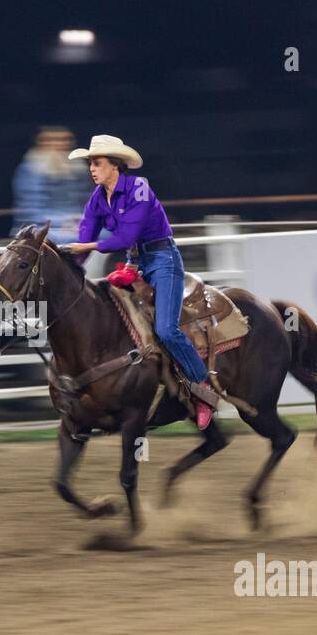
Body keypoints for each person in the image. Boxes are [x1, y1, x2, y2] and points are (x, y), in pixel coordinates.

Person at [61, 134, 218, 429]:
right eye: (91, 164)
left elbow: (125, 237)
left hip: (162, 260)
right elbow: (85, 236)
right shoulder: (98, 199)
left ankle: (203, 391)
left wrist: (86, 248)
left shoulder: (139, 189)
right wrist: (70, 263)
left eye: (97, 163)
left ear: (115, 166)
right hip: (136, 262)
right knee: (108, 312)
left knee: (167, 330)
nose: (92, 169)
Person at [10, 127, 93, 241]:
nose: (59, 144)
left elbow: (86, 201)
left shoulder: (78, 168)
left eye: (64, 140)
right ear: (42, 142)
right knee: (67, 238)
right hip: (40, 226)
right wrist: (62, 223)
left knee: (107, 234)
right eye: (53, 140)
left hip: (73, 223)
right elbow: (32, 208)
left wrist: (80, 220)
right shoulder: (32, 168)